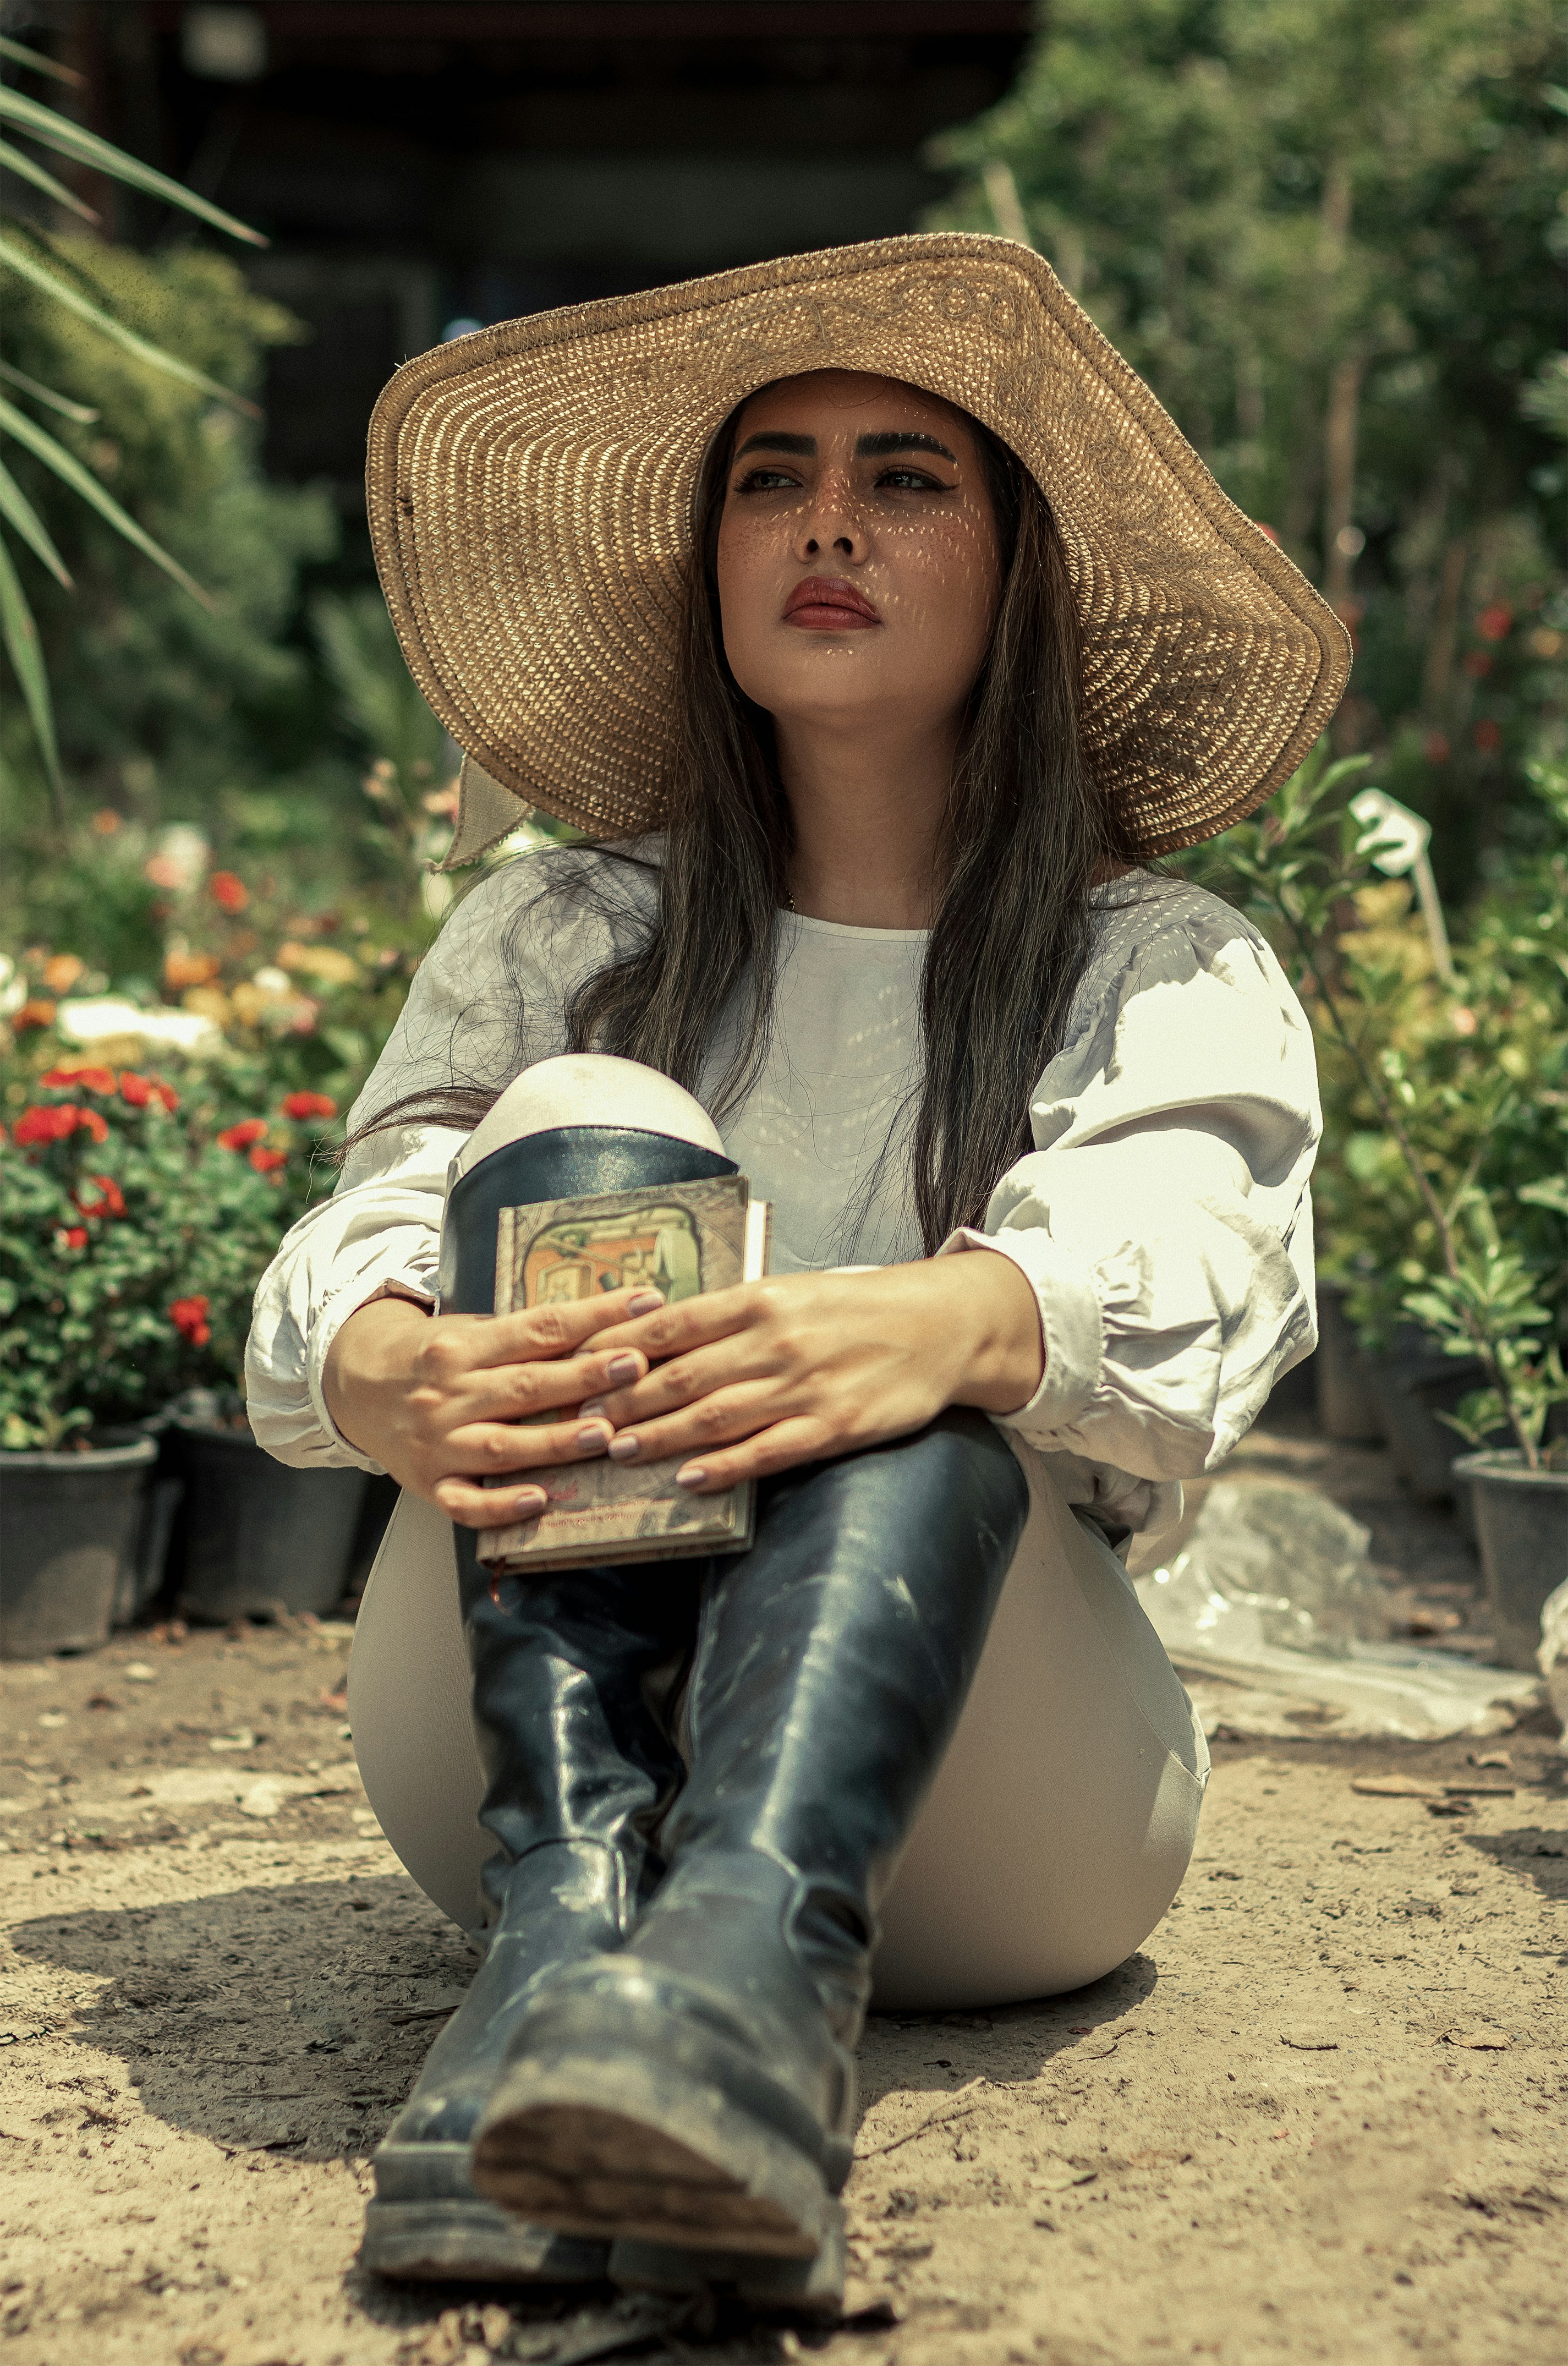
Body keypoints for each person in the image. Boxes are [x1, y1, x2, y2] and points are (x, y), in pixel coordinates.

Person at [246, 233, 1345, 2305]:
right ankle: (568, 1966)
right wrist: (389, 1360)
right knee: (591, 1108)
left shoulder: (1159, 960)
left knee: (943, 1364)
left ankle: (746, 1978)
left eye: (904, 476)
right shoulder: (564, 927)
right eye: (769, 476)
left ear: (1019, 570)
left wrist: (923, 1322)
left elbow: (1175, 1255)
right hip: (525, 1774)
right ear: (709, 560)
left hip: (990, 1819)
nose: (824, 518)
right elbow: (365, 1228)